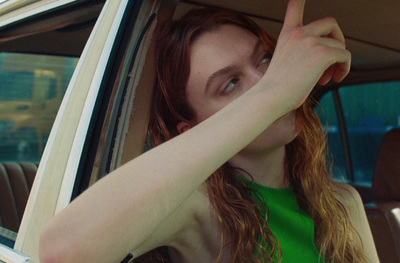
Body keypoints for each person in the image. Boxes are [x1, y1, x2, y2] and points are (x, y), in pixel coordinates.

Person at [39, 0, 379, 262]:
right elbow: (63, 249)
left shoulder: (343, 202)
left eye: (265, 59)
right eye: (230, 84)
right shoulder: (200, 208)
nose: (266, 79)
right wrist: (271, 94)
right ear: (193, 129)